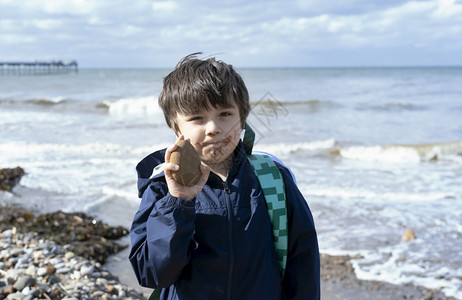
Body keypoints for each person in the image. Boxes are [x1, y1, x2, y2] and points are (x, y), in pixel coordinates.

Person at [129, 53, 320, 299]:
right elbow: (153, 274)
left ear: (242, 118)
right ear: (176, 127)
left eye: (225, 114)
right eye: (197, 118)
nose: (214, 128)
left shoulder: (272, 177)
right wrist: (179, 203)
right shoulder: (163, 187)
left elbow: (302, 261)